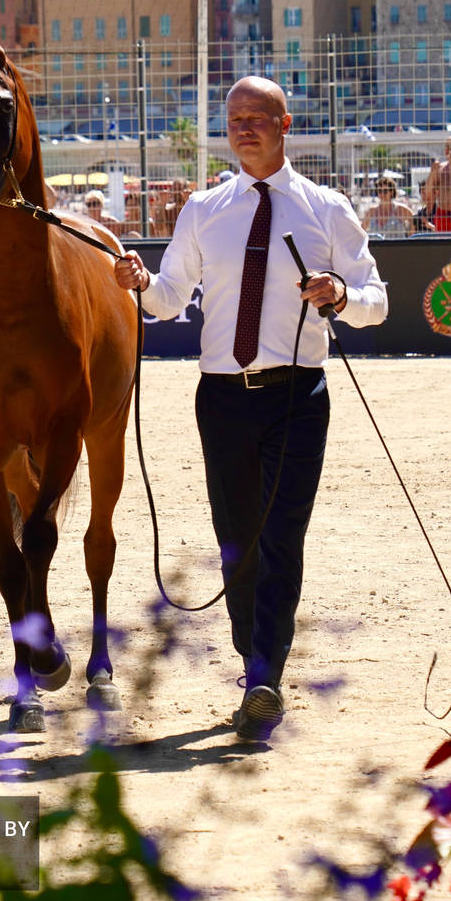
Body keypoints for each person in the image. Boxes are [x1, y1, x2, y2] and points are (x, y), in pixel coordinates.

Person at [113, 76, 387, 741]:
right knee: (235, 541)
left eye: (257, 117)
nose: (243, 129)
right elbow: (169, 298)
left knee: (279, 537)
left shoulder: (325, 208)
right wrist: (141, 281)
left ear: (284, 123)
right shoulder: (205, 208)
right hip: (221, 398)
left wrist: (340, 294)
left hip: (298, 395)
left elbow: (376, 302)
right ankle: (252, 660)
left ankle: (264, 673)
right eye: (234, 119)